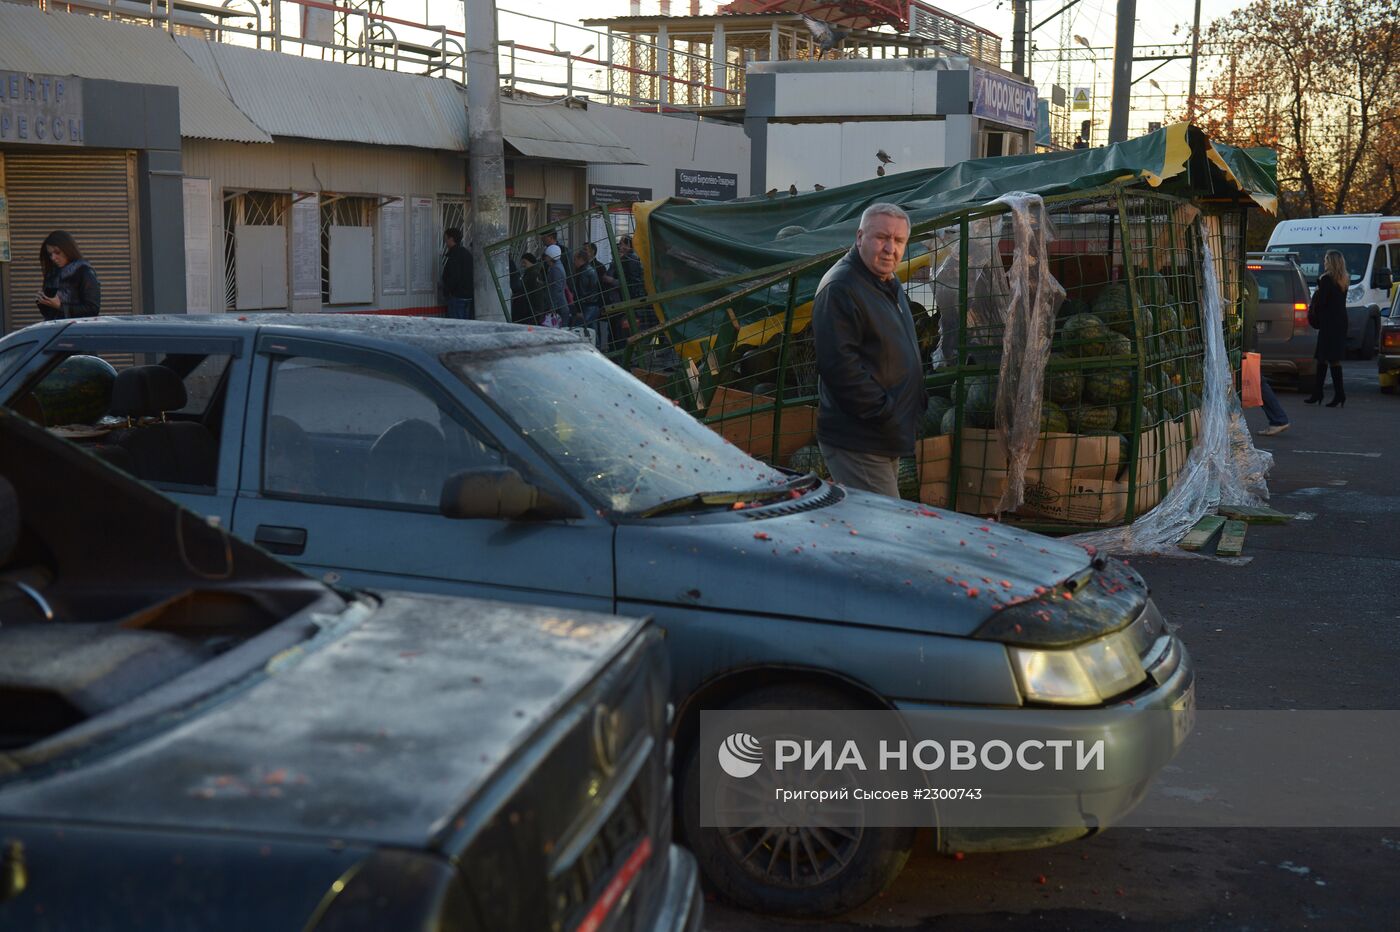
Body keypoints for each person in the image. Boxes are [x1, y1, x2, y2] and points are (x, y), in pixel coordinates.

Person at [811, 202, 925, 497]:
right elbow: (840, 367)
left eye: (899, 241)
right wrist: (885, 412)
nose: (890, 248)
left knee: (866, 527)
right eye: (881, 238)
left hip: (884, 433)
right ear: (860, 237)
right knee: (885, 530)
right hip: (860, 439)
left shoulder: (887, 281)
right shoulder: (841, 287)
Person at [1241, 269, 1290, 436]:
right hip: (1247, 338)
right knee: (1254, 379)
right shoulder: (1246, 277)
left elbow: (1246, 312)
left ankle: (1279, 418)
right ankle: (1278, 418)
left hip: (1245, 339)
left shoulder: (1243, 278)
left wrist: (1245, 346)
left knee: (1254, 379)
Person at [1304, 249, 1349, 408]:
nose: (1324, 263)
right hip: (1340, 323)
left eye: (1326, 260)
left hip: (1328, 324)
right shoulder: (1343, 280)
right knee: (1333, 359)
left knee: (1322, 358)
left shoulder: (1326, 280)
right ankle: (1338, 394)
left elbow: (1322, 303)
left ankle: (1320, 393)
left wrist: (1317, 292)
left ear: (1330, 262)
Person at [35, 231, 100, 320]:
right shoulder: (53, 274)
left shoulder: (84, 272)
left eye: (57, 252)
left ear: (68, 249)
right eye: (50, 254)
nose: (53, 258)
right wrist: (43, 302)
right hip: (56, 329)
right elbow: (49, 314)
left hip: (76, 331)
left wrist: (60, 306)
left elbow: (92, 310)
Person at [571, 247, 604, 345]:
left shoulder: (583, 272)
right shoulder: (590, 270)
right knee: (593, 330)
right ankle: (597, 349)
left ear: (581, 259)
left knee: (578, 328)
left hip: (586, 306)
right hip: (593, 304)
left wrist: (579, 310)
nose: (574, 262)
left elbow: (580, 292)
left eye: (575, 259)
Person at [440, 227, 473, 320]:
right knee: (465, 326)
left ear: (451, 239)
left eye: (446, 238)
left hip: (457, 297)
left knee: (456, 325)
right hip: (468, 296)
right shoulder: (466, 253)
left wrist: (447, 291)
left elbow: (454, 276)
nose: (445, 242)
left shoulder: (455, 255)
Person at [542, 244, 569, 327]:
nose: (545, 258)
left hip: (558, 308)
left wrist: (552, 307)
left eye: (546, 256)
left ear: (550, 257)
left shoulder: (556, 269)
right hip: (558, 306)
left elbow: (557, 290)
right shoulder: (556, 266)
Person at [519, 252, 548, 325]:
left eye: (524, 262)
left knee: (531, 329)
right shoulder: (530, 272)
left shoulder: (534, 274)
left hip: (533, 310)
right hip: (531, 309)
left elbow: (538, 294)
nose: (523, 265)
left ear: (530, 261)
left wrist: (537, 312)